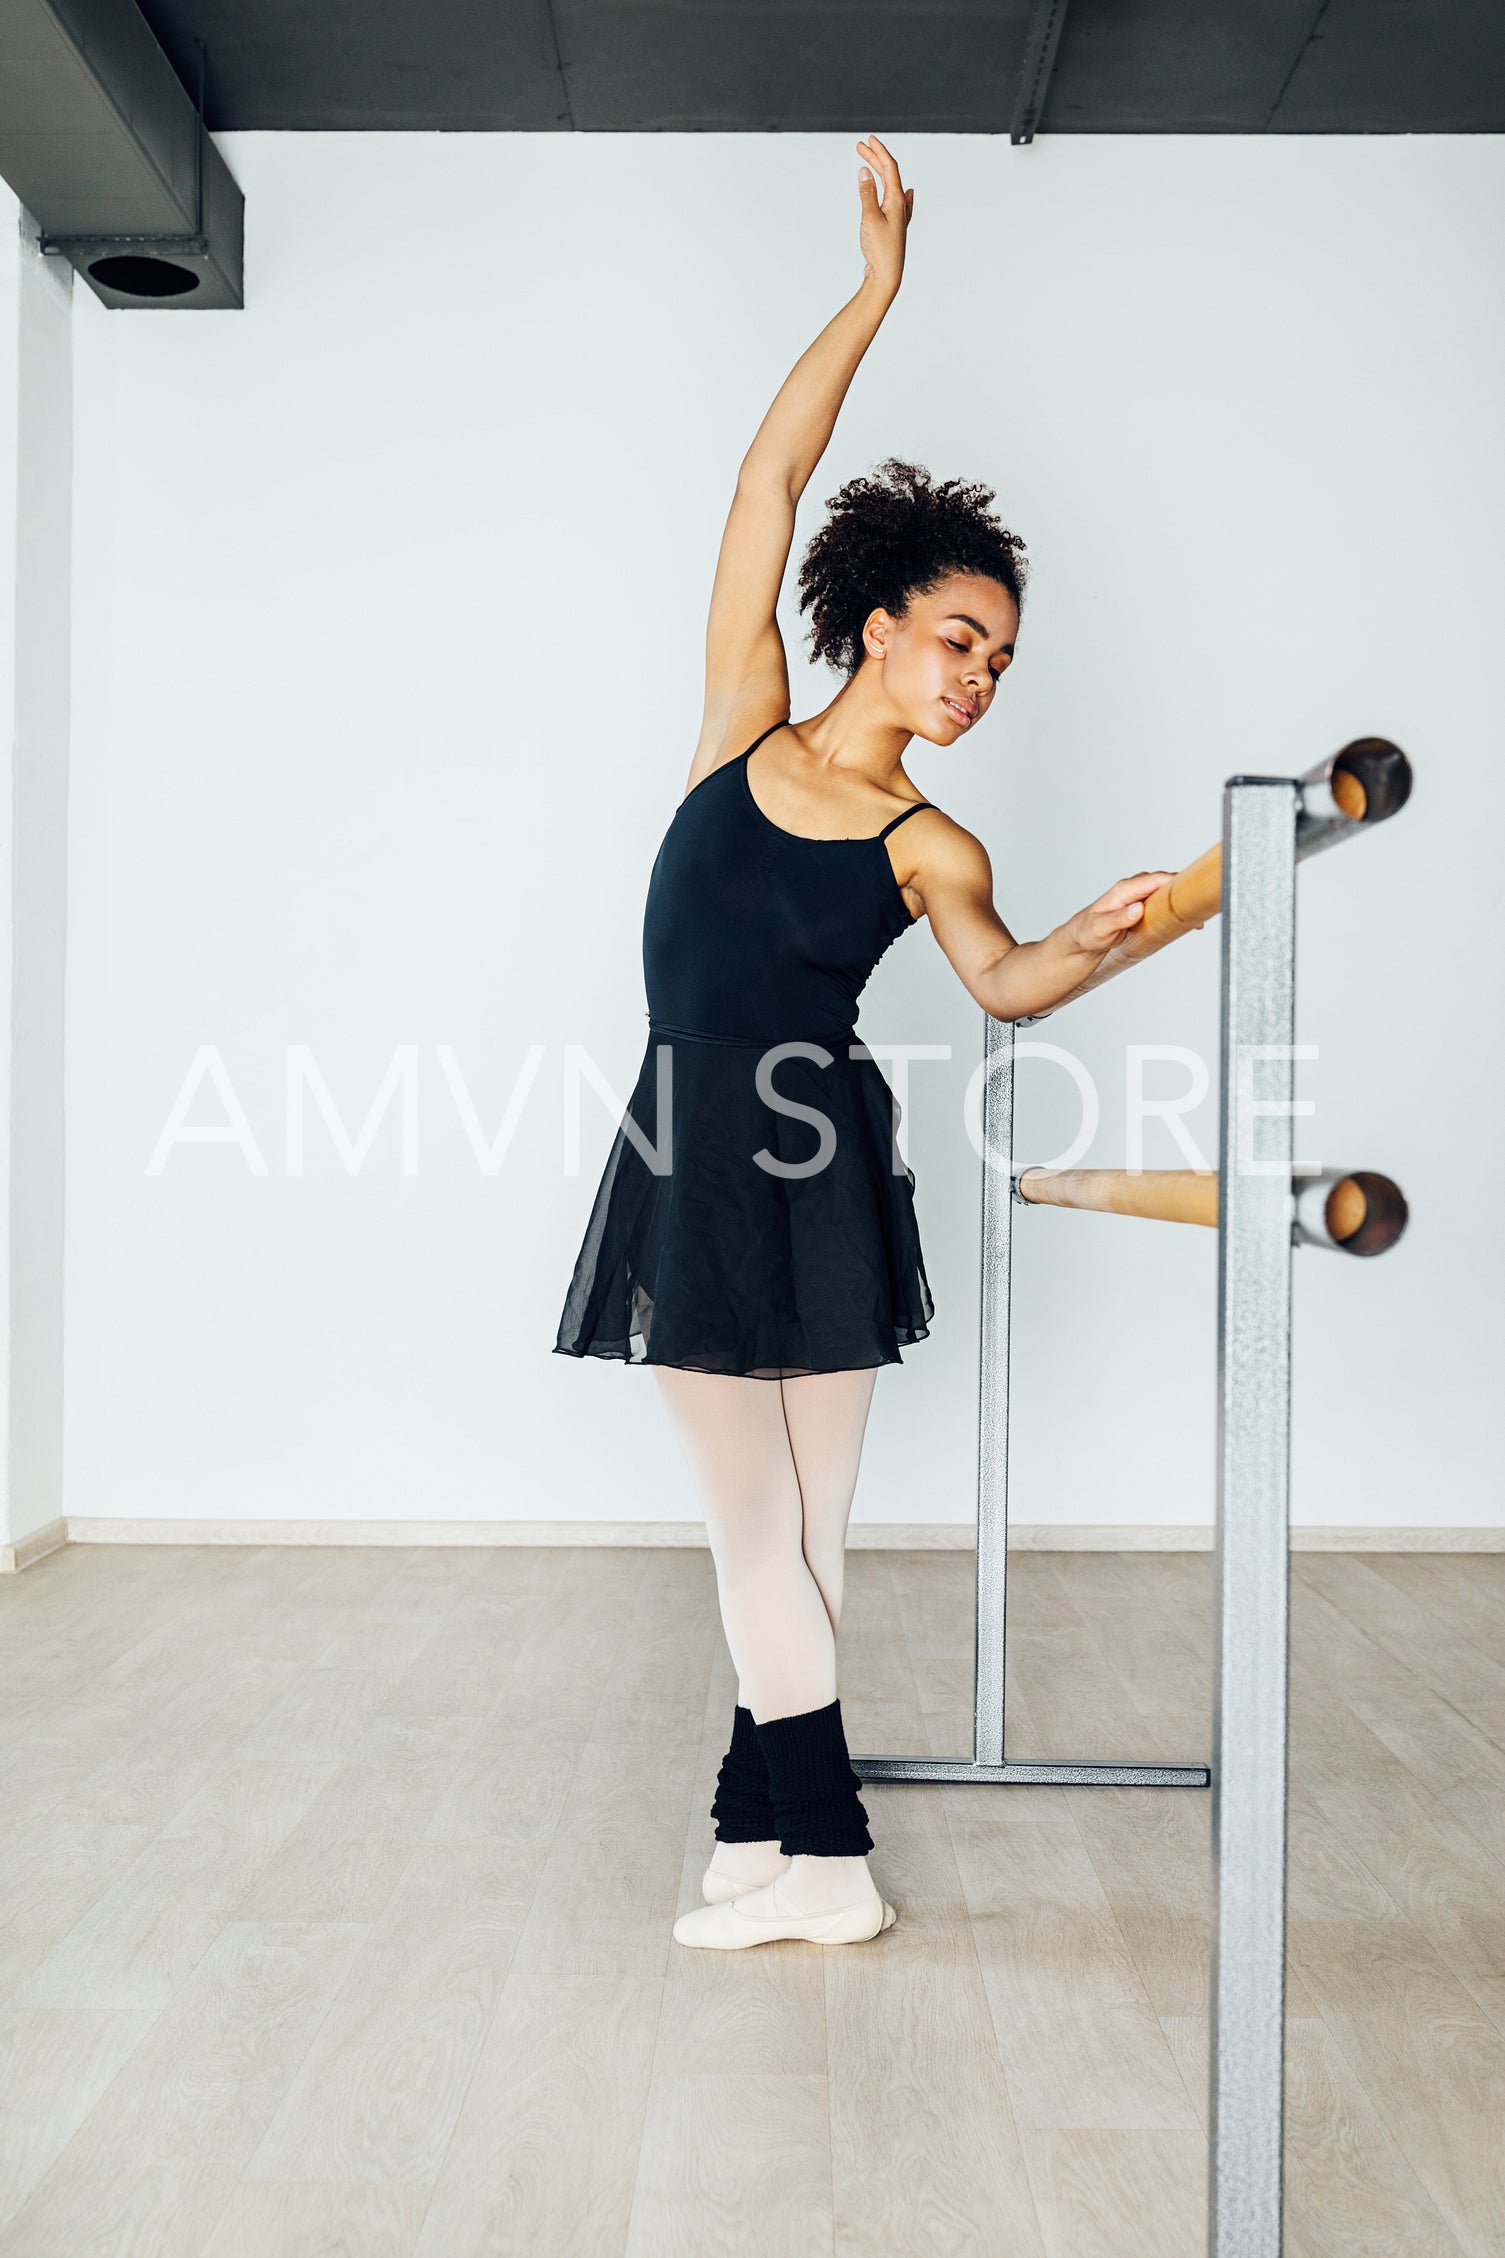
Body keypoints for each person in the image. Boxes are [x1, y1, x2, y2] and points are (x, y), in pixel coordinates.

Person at [554, 136, 1173, 1950]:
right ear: (882, 620)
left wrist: (1098, 935)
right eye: (962, 641)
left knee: (779, 1540)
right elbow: (769, 474)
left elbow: (1001, 984)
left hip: (816, 1162)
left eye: (1001, 664)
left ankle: (823, 1865)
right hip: (695, 1146)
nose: (980, 677)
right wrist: (877, 292)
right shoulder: (740, 720)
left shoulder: (932, 845)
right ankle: (759, 1838)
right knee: (785, 1542)